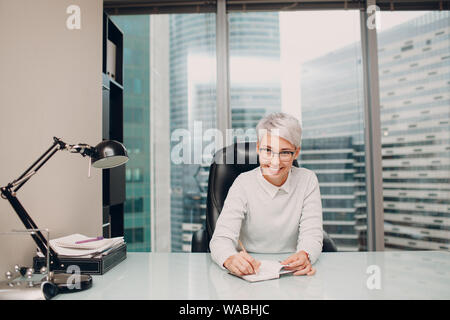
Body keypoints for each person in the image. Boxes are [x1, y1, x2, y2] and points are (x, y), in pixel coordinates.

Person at [210, 112, 323, 277]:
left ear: (296, 153)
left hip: (290, 270)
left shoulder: (307, 180)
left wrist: (305, 254)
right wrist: (230, 259)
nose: (275, 162)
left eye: (284, 152)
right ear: (258, 148)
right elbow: (221, 238)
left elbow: (312, 233)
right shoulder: (243, 183)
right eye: (268, 151)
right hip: (250, 270)